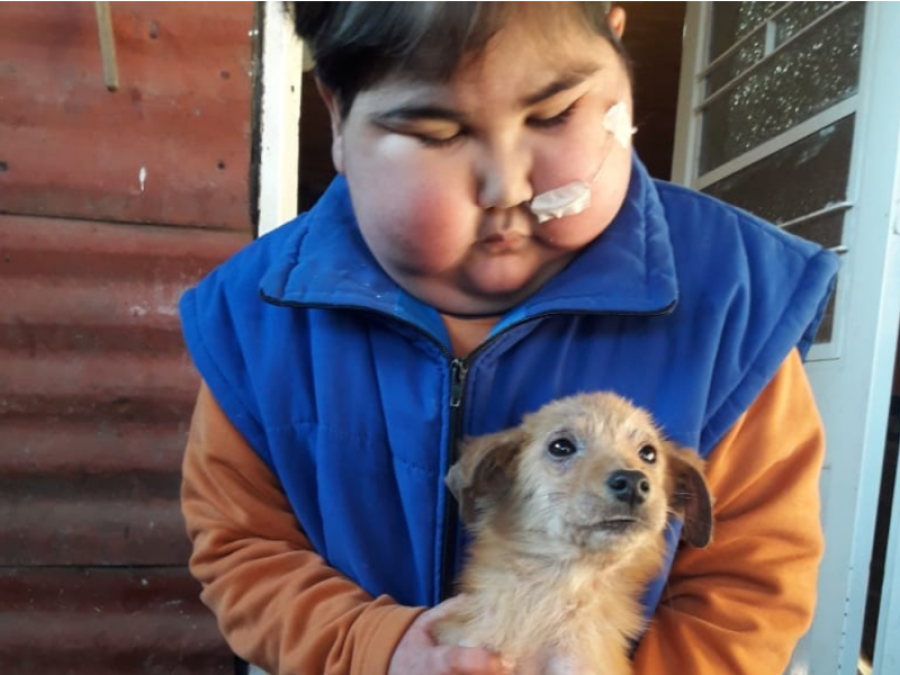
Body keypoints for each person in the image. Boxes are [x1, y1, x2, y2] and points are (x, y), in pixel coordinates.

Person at [178, 2, 841, 674]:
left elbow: (749, 589)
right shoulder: (259, 319)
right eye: (435, 131)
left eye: (554, 114)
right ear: (338, 116)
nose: (508, 186)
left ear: (617, 43)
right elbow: (243, 545)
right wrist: (369, 647)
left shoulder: (729, 306)